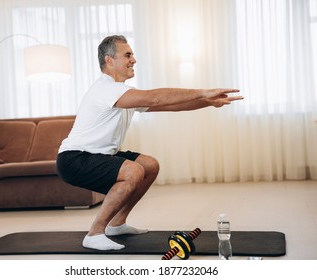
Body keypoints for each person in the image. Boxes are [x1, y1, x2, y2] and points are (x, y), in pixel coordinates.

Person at [56, 35, 243, 251]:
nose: (133, 59)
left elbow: (168, 106)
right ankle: (95, 232)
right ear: (109, 61)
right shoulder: (106, 89)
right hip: (74, 159)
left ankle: (116, 224)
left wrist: (206, 102)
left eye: (132, 55)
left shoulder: (121, 92)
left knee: (149, 166)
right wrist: (202, 91)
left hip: (97, 156)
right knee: (133, 171)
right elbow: (155, 98)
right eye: (127, 55)